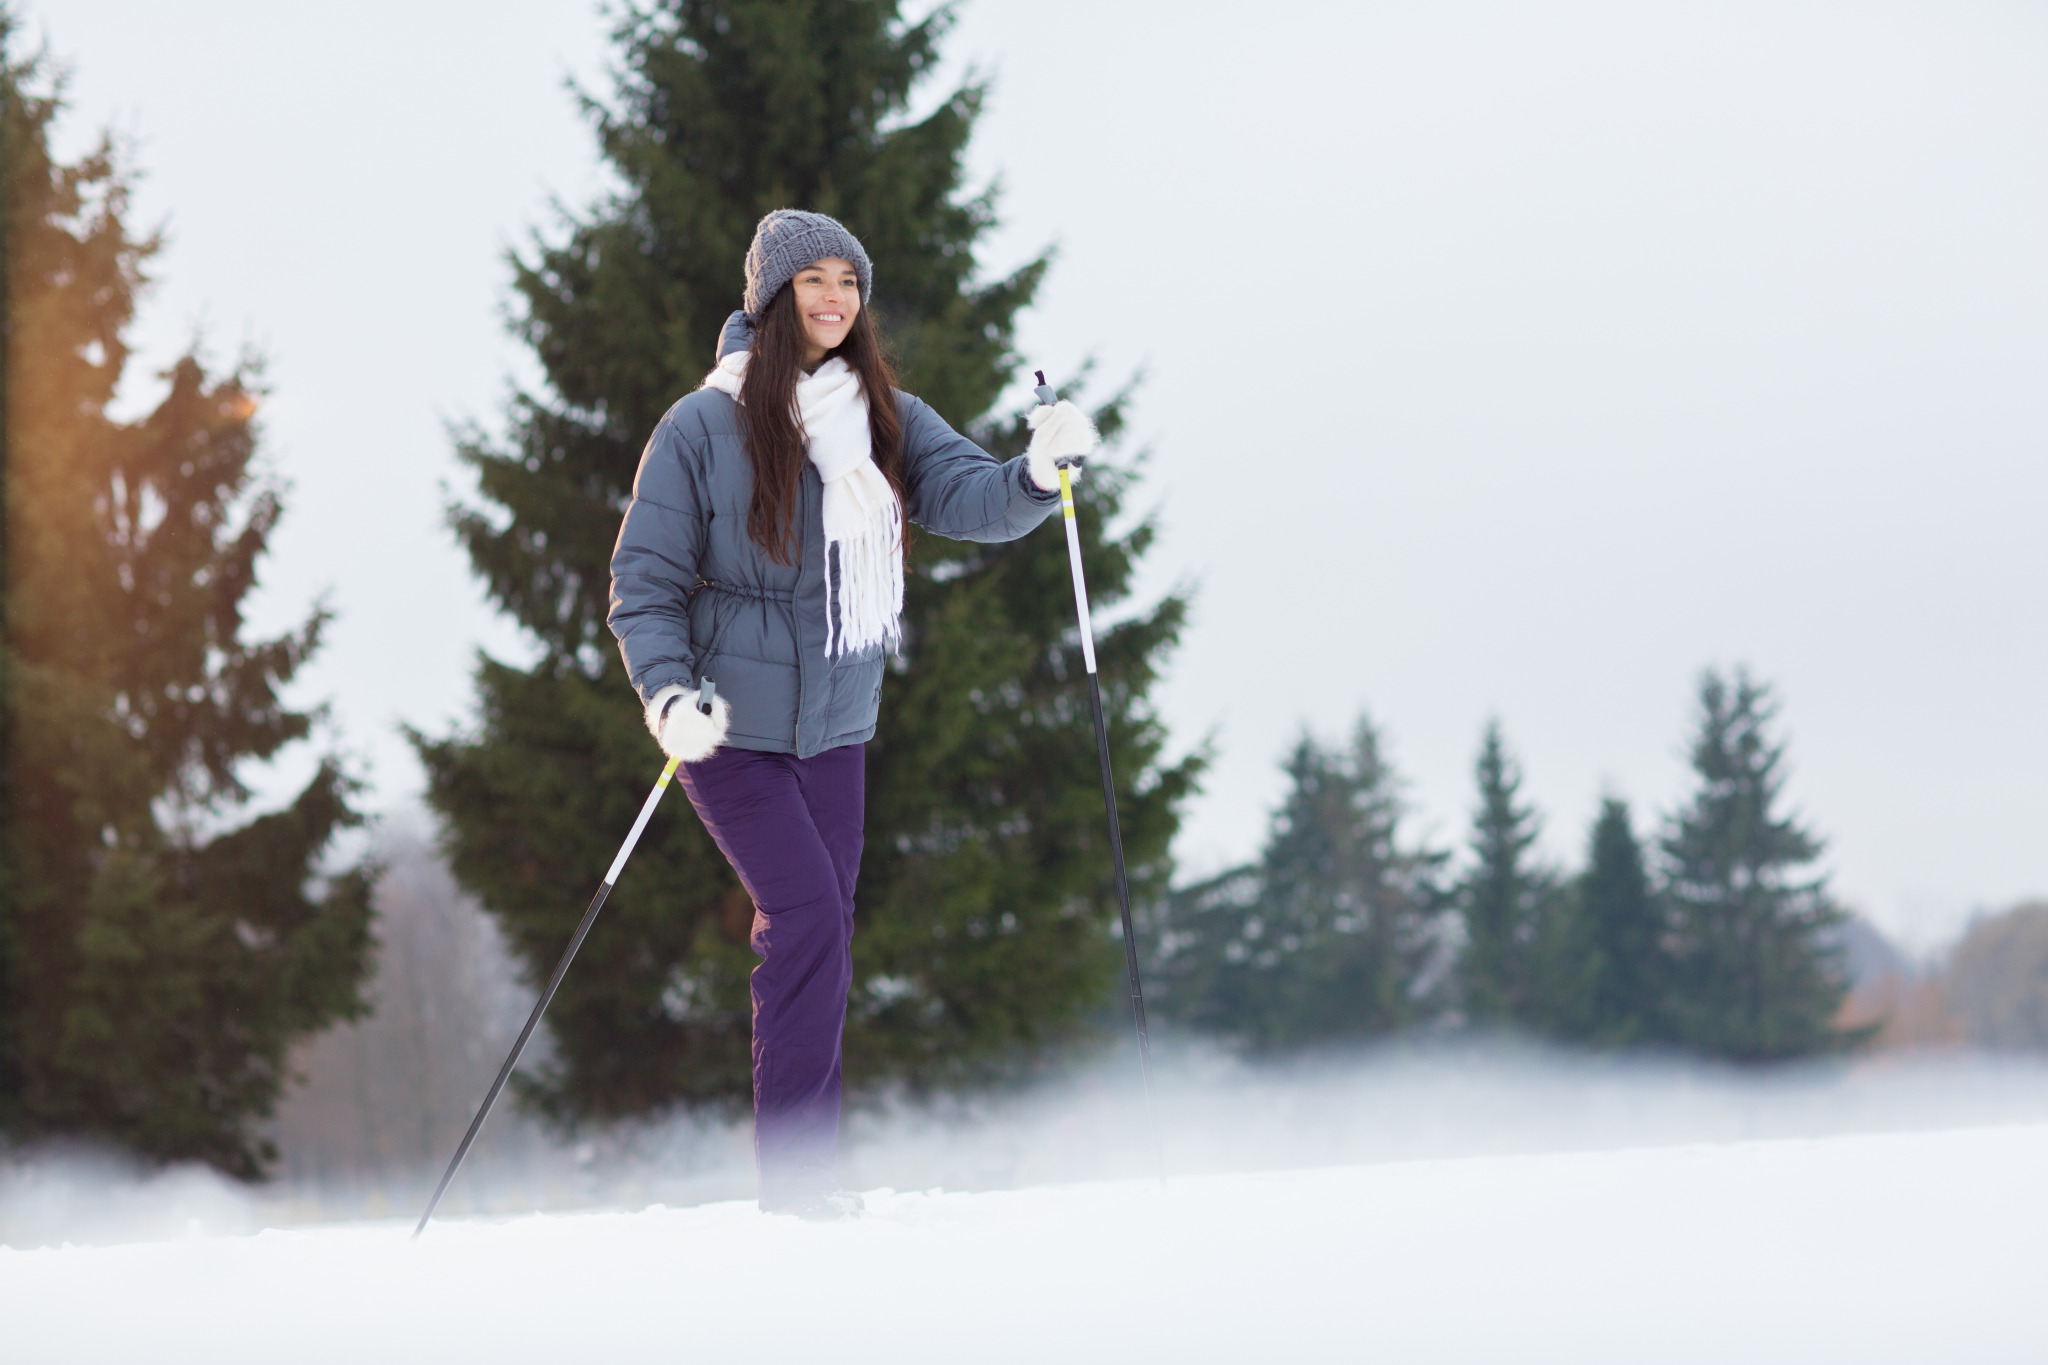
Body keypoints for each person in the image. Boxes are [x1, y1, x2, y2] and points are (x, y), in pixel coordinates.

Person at [607, 209, 1099, 1218]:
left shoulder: (883, 415)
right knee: (807, 918)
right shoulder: (703, 426)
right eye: (812, 281)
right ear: (772, 297)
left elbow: (969, 497)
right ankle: (796, 1186)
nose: (833, 299)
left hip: (835, 729)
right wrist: (667, 695)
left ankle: (806, 1176)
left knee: (820, 933)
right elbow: (641, 584)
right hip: (727, 727)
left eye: (847, 281)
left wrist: (1037, 474)